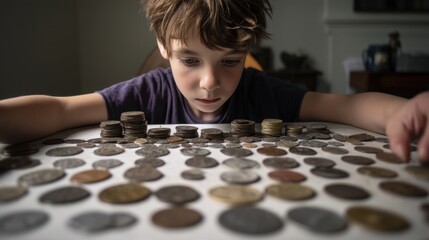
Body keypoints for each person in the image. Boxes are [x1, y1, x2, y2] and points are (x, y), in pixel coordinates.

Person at [0, 0, 428, 164]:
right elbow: (60, 109)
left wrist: (401, 111)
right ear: (163, 46)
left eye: (230, 61)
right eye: (190, 60)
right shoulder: (147, 93)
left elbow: (346, 107)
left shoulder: (261, 92)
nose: (210, 82)